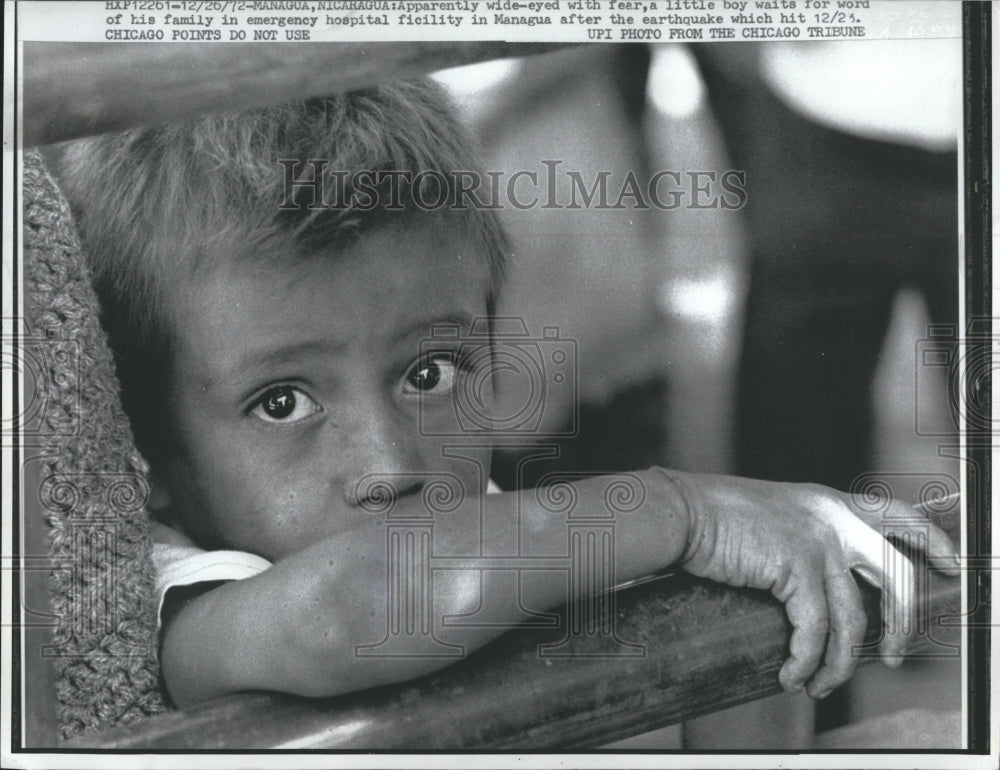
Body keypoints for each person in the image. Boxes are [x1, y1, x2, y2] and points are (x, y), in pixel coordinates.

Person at [59, 79, 959, 709]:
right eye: (283, 402)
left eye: (429, 374)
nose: (389, 466)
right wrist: (690, 509)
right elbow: (348, 614)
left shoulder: (511, 533)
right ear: (149, 453)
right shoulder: (190, 593)